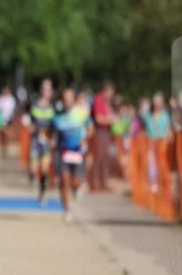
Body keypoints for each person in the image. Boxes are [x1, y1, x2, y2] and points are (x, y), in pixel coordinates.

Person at [51, 87, 91, 222]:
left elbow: (91, 129)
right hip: (62, 152)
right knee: (64, 180)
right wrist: (51, 141)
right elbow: (52, 134)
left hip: (77, 152)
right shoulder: (57, 117)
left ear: (74, 100)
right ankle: (67, 210)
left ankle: (77, 187)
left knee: (74, 181)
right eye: (65, 99)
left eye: (70, 99)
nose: (67, 102)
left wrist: (84, 138)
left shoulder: (82, 113)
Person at [28, 78, 56, 206]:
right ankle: (32, 176)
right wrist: (29, 126)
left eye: (49, 89)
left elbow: (56, 125)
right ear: (41, 90)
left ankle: (42, 193)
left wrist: (53, 138)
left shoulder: (54, 107)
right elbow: (25, 118)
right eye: (44, 88)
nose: (47, 91)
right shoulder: (33, 104)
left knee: (44, 169)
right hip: (34, 140)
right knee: (34, 168)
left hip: (46, 141)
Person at [140, 92, 172, 193]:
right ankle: (153, 182)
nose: (157, 104)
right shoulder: (148, 115)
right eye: (156, 102)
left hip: (162, 141)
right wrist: (145, 104)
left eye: (159, 102)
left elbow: (167, 128)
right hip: (151, 141)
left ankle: (163, 183)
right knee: (151, 162)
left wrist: (169, 135)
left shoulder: (165, 115)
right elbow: (141, 115)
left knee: (162, 161)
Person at [90, 81, 116, 191]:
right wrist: (111, 119)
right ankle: (96, 183)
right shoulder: (98, 100)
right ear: (107, 91)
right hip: (99, 131)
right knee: (99, 158)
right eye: (111, 93)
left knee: (105, 158)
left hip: (106, 132)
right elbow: (98, 118)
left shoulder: (106, 102)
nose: (112, 95)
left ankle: (104, 182)